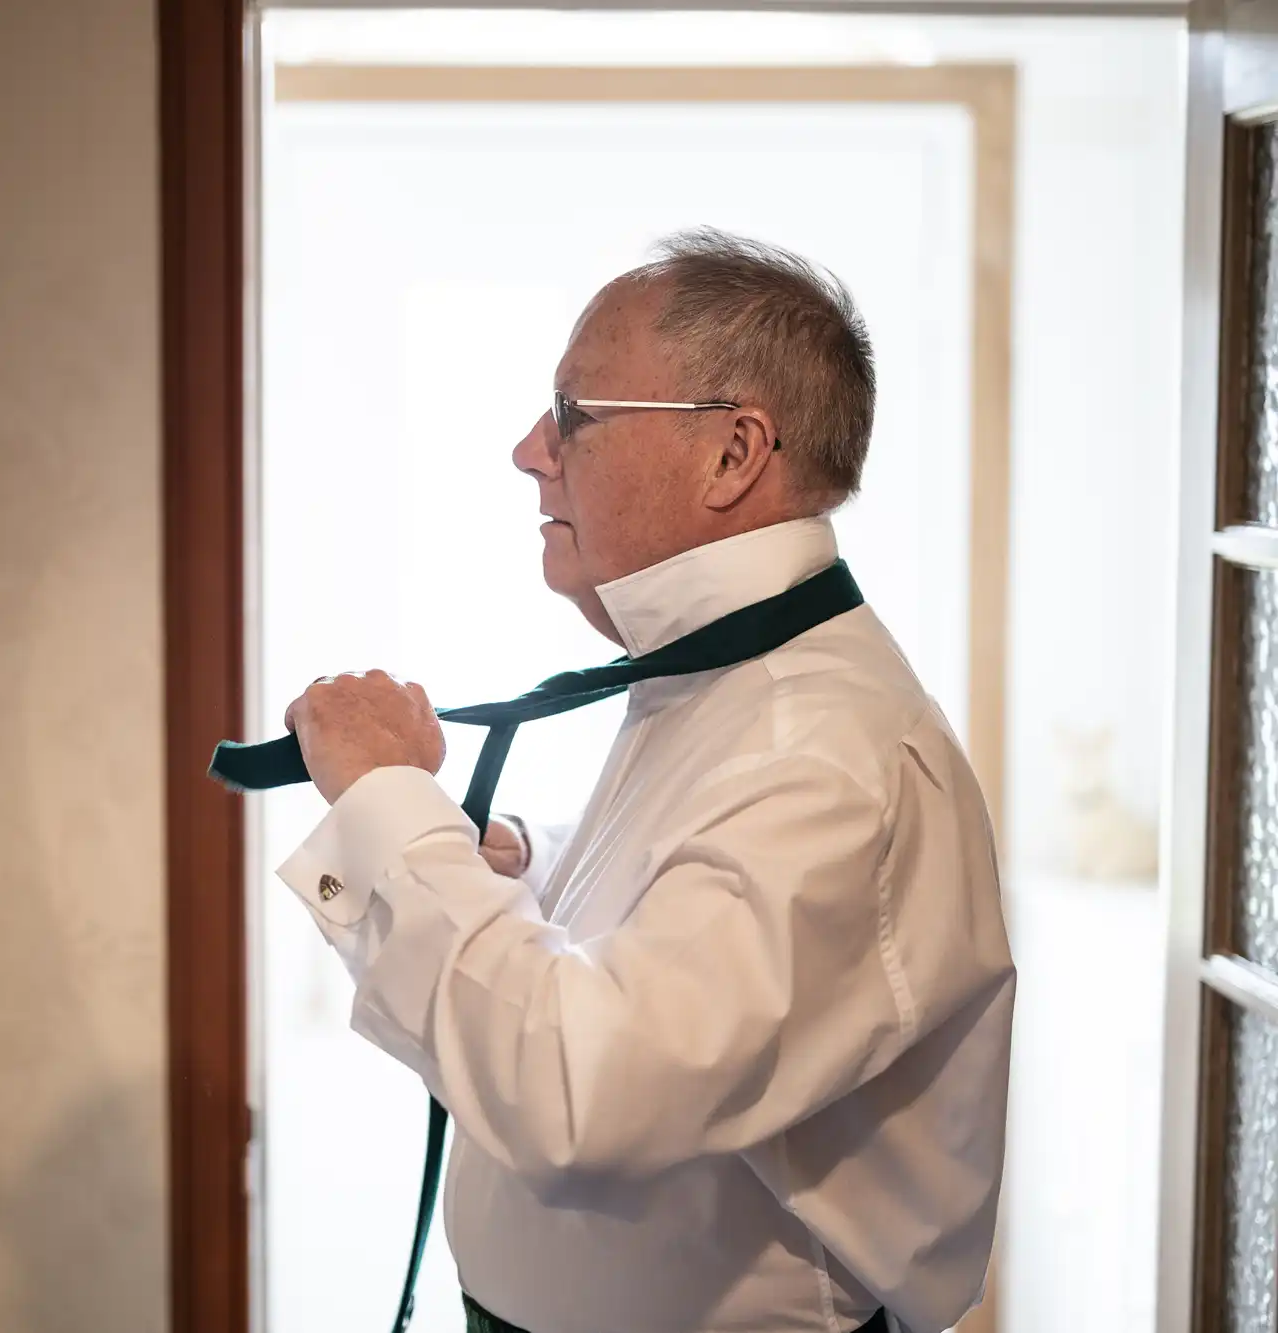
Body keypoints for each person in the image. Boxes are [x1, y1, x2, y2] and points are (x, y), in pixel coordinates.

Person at [278, 229, 1014, 1333]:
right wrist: (523, 855)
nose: (529, 449)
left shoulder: (823, 749)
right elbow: (698, 891)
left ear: (729, 454)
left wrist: (390, 807)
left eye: (572, 414)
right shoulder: (747, 681)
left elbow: (578, 1091)